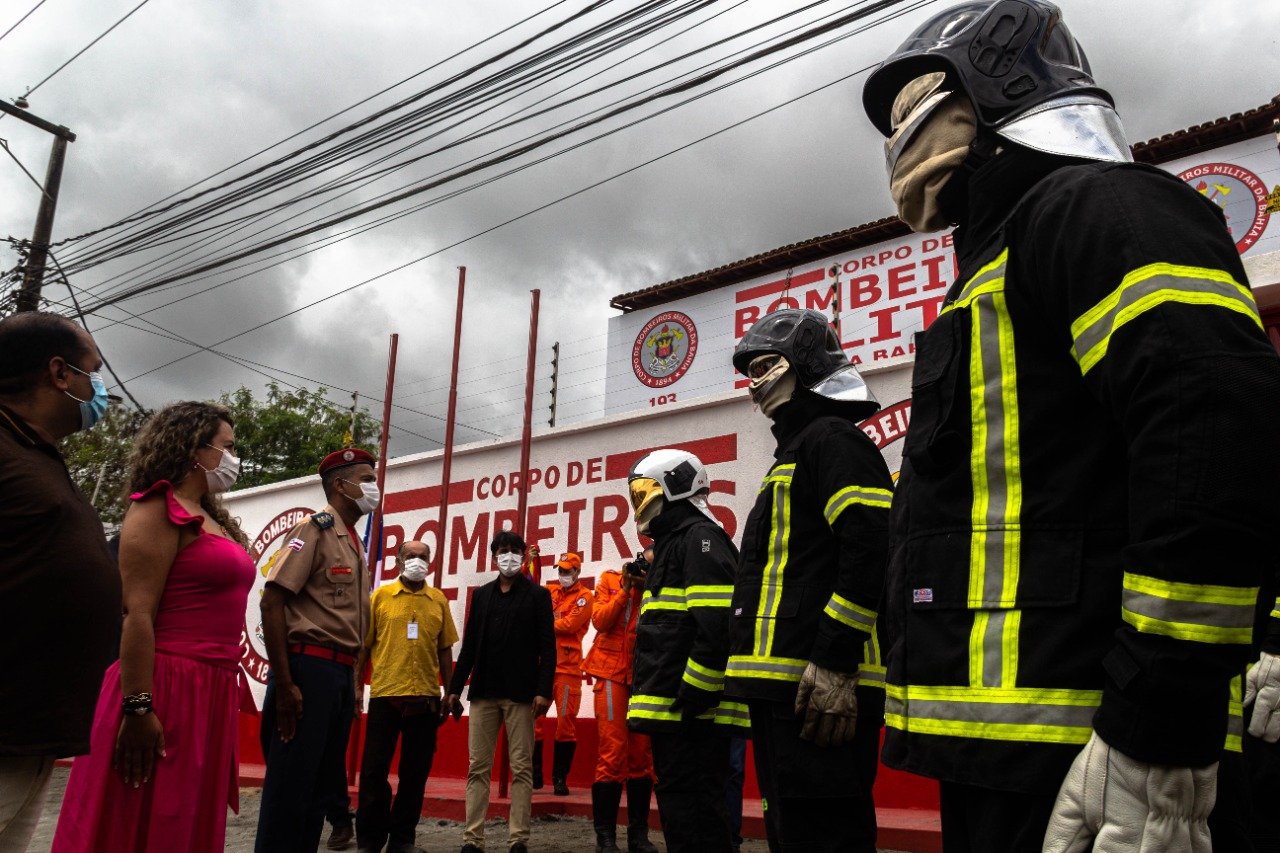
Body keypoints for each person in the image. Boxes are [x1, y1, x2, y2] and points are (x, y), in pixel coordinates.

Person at [859, 2, 1280, 850]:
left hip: (1100, 752)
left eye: (914, 107)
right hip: (1007, 754)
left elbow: (1217, 428)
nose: (898, 137)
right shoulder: (1000, 258)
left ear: (995, 84)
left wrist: (1155, 715)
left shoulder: (1099, 207)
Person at [52, 402, 256, 852]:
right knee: (140, 818)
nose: (234, 457)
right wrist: (139, 707)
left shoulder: (211, 517)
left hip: (211, 687)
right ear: (194, 449)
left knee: (183, 822)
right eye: (227, 447)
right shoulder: (156, 509)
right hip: (164, 683)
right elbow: (137, 613)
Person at [725, 309, 891, 853]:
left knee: (826, 837)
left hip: (817, 687)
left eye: (767, 364)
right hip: (785, 691)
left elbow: (871, 546)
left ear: (807, 365)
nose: (756, 381)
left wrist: (836, 661)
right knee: (793, 835)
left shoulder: (835, 441)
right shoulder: (798, 450)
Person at [0, 312, 120, 852]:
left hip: (33, 730)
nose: (99, 388)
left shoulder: (35, 453)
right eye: (93, 372)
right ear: (58, 373)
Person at [255, 447, 379, 852]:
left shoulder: (354, 544)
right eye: (366, 478)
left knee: (316, 793)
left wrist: (354, 684)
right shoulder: (314, 529)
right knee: (290, 792)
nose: (374, 488)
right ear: (341, 485)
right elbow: (272, 600)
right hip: (308, 672)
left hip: (339, 677)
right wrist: (286, 683)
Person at [625, 450, 747, 853]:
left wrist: (695, 694)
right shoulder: (676, 544)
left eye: (646, 491)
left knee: (697, 816)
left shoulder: (700, 539)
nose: (641, 503)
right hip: (678, 716)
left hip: (693, 716)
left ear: (677, 486)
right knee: (683, 814)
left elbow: (717, 628)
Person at [445, 530, 555, 853]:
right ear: (494, 557)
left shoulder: (538, 597)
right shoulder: (481, 596)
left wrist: (543, 690)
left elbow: (548, 649)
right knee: (477, 767)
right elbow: (468, 648)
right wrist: (454, 689)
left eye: (514, 550)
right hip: (483, 693)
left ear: (523, 555)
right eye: (503, 551)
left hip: (522, 694)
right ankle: (472, 839)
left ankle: (518, 838)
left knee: (521, 767)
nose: (509, 556)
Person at [356, 540, 459, 853]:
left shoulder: (438, 600)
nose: (417, 561)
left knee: (414, 775)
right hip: (386, 697)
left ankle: (402, 841)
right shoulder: (380, 598)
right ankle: (370, 842)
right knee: (374, 773)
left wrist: (451, 692)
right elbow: (364, 647)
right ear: (398, 560)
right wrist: (356, 686)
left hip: (426, 699)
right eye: (411, 556)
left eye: (423, 556)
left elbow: (445, 649)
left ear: (431, 561)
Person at [582, 549, 658, 853]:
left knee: (642, 759)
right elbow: (600, 621)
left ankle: (638, 837)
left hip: (642, 678)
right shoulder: (610, 581)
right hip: (610, 675)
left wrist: (651, 587)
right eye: (644, 563)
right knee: (612, 753)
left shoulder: (661, 587)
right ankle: (606, 837)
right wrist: (626, 591)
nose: (644, 570)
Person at [536, 552, 592, 796]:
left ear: (577, 573)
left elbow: (570, 625)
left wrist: (542, 623)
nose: (563, 575)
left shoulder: (585, 597)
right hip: (543, 666)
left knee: (565, 724)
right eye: (560, 570)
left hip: (568, 669)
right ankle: (535, 775)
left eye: (568, 571)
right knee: (533, 721)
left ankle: (560, 778)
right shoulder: (549, 592)